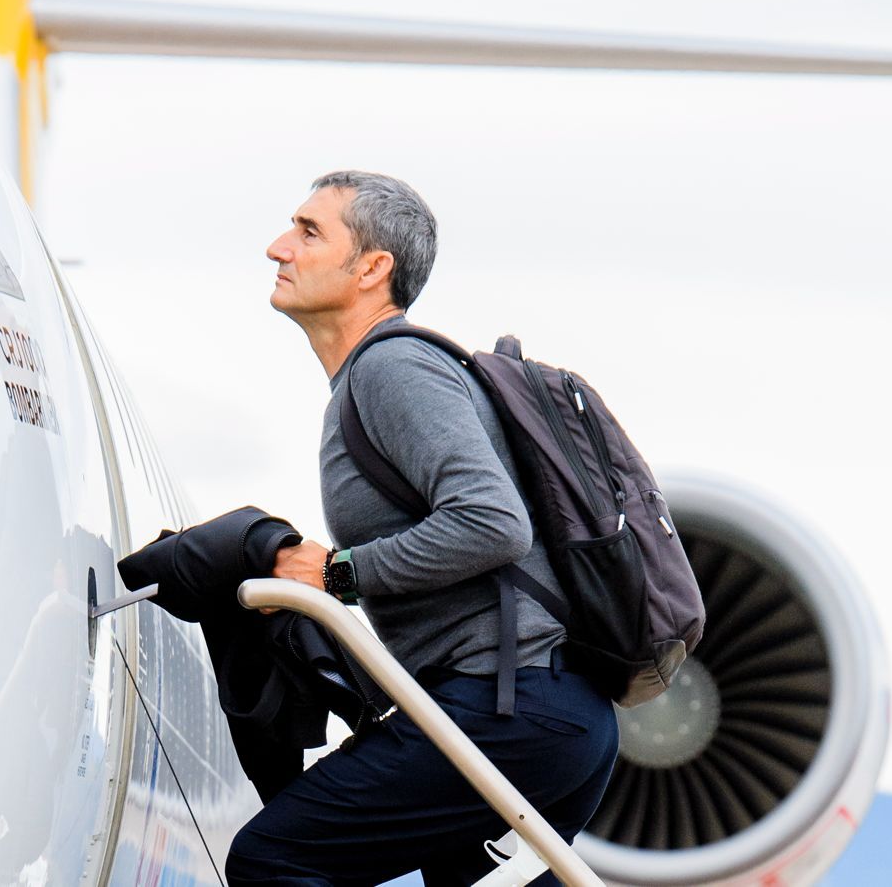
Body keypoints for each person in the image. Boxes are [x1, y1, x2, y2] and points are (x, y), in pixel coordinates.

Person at [224, 171, 619, 886]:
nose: (279, 247)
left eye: (309, 231)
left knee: (273, 859)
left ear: (372, 268)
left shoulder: (393, 366)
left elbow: (493, 523)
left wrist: (337, 574)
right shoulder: (376, 375)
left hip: (510, 708)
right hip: (546, 715)